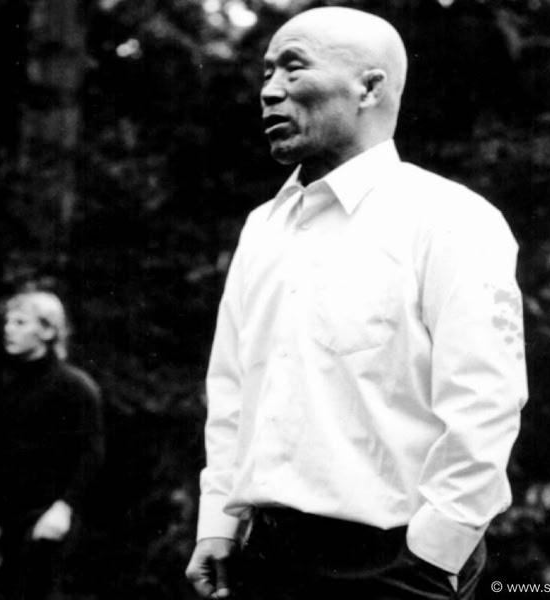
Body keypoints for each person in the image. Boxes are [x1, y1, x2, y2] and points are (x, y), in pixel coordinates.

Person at [185, 7, 528, 600]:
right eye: (266, 72)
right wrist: (219, 520)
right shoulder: (262, 228)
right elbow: (234, 391)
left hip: (395, 565)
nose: (268, 91)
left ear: (370, 87)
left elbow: (486, 403)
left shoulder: (451, 219)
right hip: (261, 556)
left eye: (292, 69)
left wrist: (433, 554)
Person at [0, 290, 104, 600]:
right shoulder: (9, 387)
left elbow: (91, 452)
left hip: (50, 517)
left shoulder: (75, 387)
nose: (9, 328)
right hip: (11, 519)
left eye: (21, 321)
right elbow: (1, 458)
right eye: (8, 321)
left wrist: (63, 508)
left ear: (48, 331)